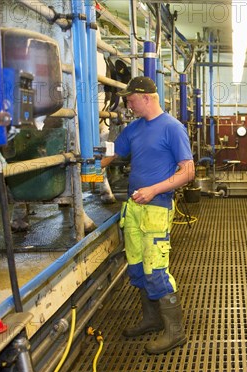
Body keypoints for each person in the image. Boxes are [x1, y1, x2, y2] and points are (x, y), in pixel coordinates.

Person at [101, 76, 195, 355]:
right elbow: (113, 154)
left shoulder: (172, 128)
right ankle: (152, 319)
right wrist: (85, 167)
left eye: (131, 100)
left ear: (147, 97)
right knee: (137, 267)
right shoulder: (133, 128)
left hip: (156, 207)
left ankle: (175, 332)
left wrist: (154, 190)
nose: (128, 105)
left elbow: (187, 172)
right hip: (133, 209)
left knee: (156, 270)